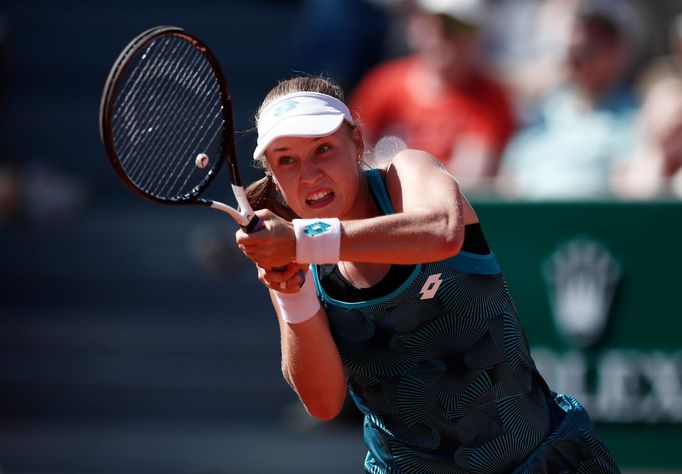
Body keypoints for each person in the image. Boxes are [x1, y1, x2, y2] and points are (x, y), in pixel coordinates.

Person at [235, 74, 619, 473]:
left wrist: (306, 240)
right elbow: (324, 402)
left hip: (542, 459)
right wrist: (292, 293)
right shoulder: (295, 257)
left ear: (358, 143)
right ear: (275, 178)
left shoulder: (406, 173)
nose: (309, 173)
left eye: (323, 149)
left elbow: (442, 230)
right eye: (287, 160)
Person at [348, 0, 516, 192]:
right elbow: (354, 157)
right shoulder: (382, 84)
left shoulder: (490, 99)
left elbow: (471, 182)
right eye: (433, 23)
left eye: (454, 27)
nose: (441, 36)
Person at [497, 0, 641, 200]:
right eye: (575, 45)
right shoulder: (540, 113)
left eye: (596, 44)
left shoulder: (636, 119)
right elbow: (509, 181)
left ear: (619, 52)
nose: (581, 50)